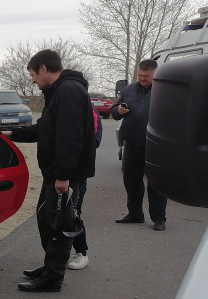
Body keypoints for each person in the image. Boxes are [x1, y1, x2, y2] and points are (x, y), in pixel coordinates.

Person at [3, 49, 96, 292]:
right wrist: (14, 134)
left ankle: (53, 277)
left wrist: (63, 176)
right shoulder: (58, 92)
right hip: (56, 172)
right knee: (47, 220)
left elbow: (70, 137)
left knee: (58, 225)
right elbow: (45, 128)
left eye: (33, 74)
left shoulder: (68, 91)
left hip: (64, 174)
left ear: (44, 68)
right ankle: (50, 266)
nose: (33, 80)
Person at [112, 59, 166, 231]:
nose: (142, 78)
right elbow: (114, 112)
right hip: (132, 142)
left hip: (156, 145)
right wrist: (118, 111)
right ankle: (135, 214)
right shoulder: (128, 90)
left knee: (156, 183)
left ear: (155, 74)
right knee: (131, 180)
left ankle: (159, 218)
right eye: (140, 75)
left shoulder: (164, 90)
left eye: (146, 76)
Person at [67, 108, 103, 270]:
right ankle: (56, 256)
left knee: (73, 213)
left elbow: (93, 142)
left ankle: (81, 252)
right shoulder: (58, 106)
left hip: (77, 173)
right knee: (55, 214)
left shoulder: (90, 113)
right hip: (58, 171)